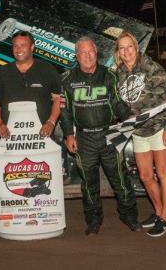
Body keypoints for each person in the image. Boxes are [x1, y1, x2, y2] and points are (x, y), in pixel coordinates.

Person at [60, 36, 140, 235]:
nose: (88, 56)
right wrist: (69, 135)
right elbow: (65, 110)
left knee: (120, 179)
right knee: (89, 184)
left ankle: (129, 216)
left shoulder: (109, 75)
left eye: (91, 52)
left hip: (109, 135)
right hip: (84, 139)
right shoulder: (67, 78)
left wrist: (130, 117)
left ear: (97, 54)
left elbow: (117, 103)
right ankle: (93, 221)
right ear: (77, 56)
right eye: (83, 53)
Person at [114, 31, 166, 237]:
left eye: (129, 47)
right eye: (122, 48)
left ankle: (165, 219)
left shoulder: (151, 67)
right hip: (138, 131)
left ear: (136, 48)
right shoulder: (119, 73)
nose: (126, 51)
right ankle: (159, 212)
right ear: (118, 53)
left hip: (159, 128)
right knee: (146, 176)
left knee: (162, 173)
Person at [0, 31, 61, 139]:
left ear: (32, 47)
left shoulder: (47, 69)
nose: (18, 49)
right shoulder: (4, 71)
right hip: (11, 137)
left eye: (23, 45)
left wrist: (51, 122)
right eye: (15, 46)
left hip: (42, 137)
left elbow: (58, 98)